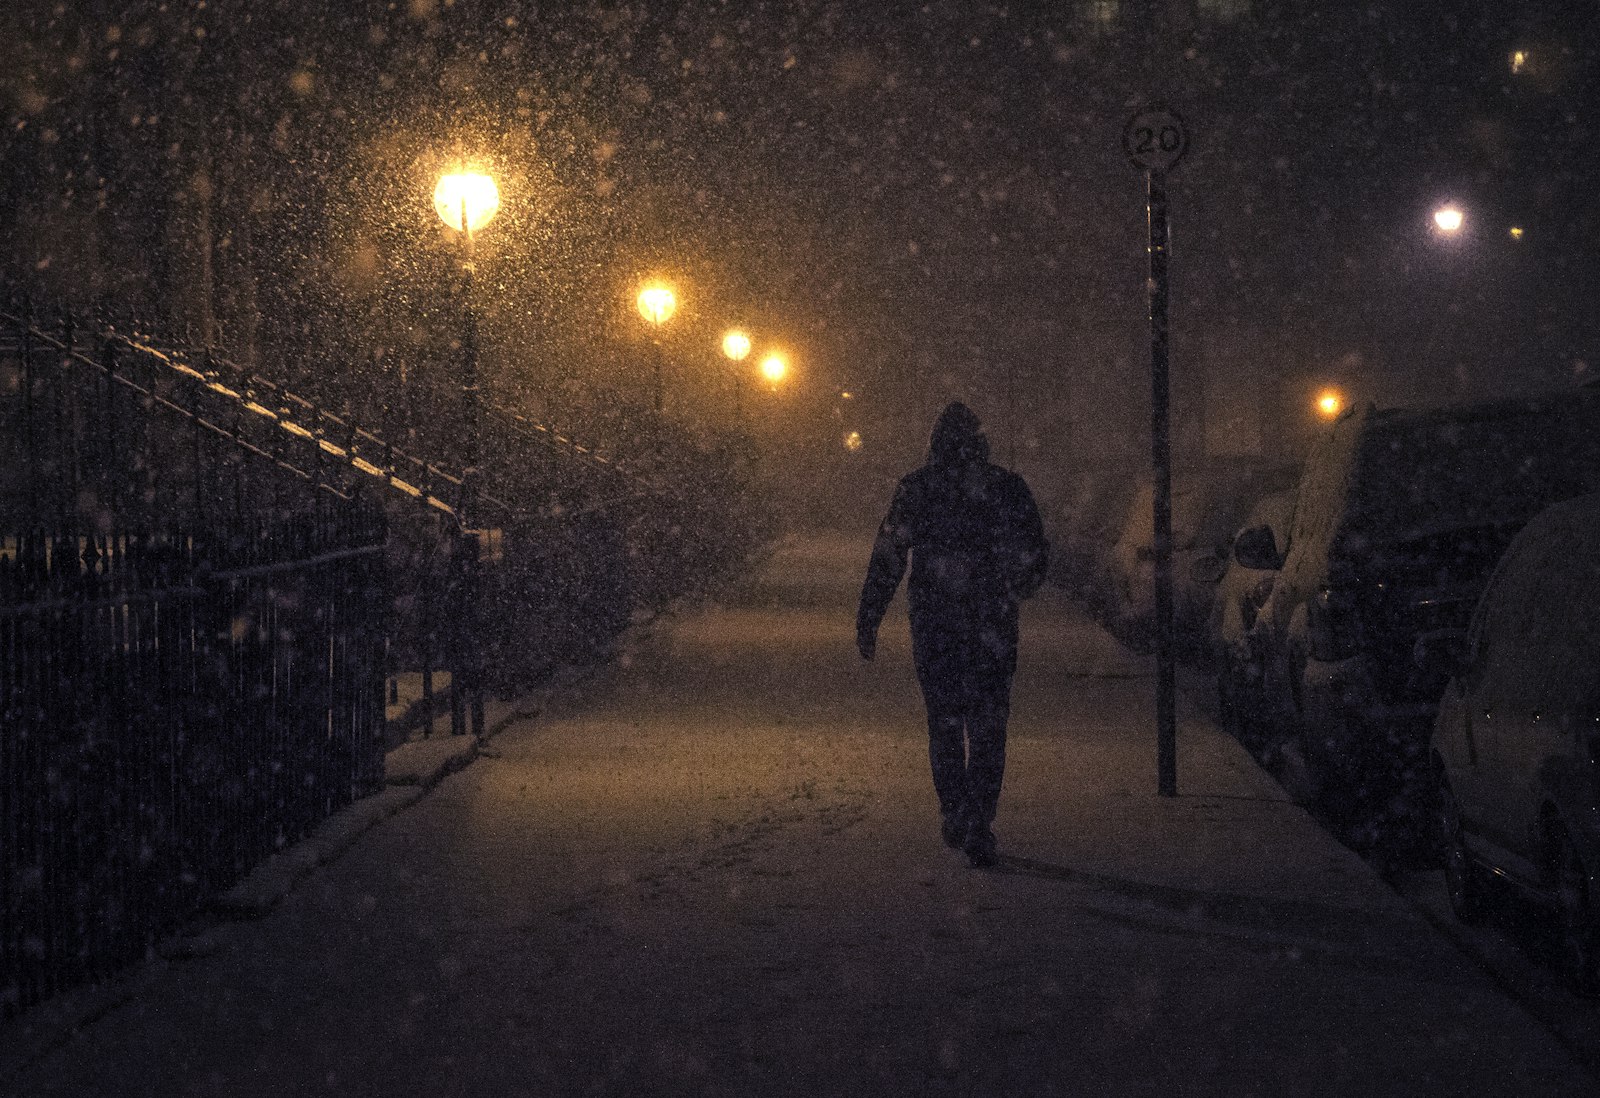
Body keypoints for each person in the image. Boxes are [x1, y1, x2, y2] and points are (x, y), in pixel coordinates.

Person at [856, 401, 1049, 867]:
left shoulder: (918, 489)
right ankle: (979, 816)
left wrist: (870, 615)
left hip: (937, 623)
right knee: (988, 727)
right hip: (992, 624)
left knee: (944, 722)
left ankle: (955, 808)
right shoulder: (1006, 488)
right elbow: (1033, 555)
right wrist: (1017, 582)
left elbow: (890, 553)